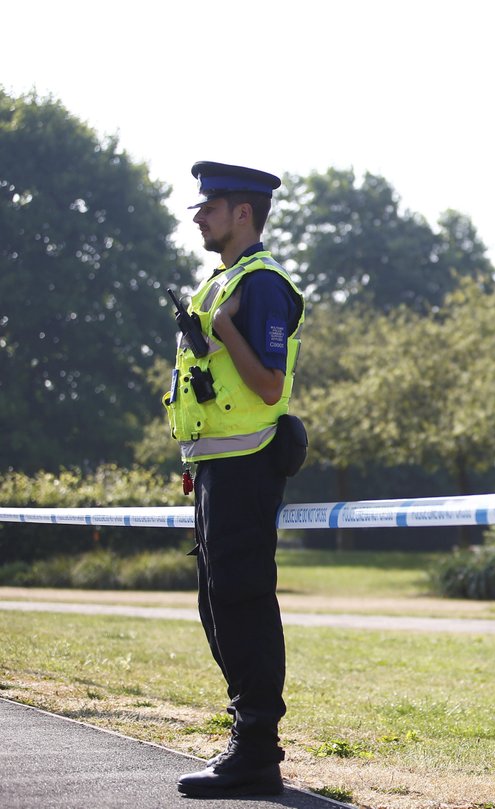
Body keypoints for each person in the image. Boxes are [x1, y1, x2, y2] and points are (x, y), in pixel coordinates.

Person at [165, 161, 305, 798]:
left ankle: (255, 753)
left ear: (242, 213)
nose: (198, 216)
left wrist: (223, 331)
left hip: (248, 466)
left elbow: (269, 384)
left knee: (243, 601)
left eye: (209, 206)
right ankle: (247, 744)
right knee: (217, 606)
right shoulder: (220, 283)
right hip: (217, 467)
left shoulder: (262, 285)